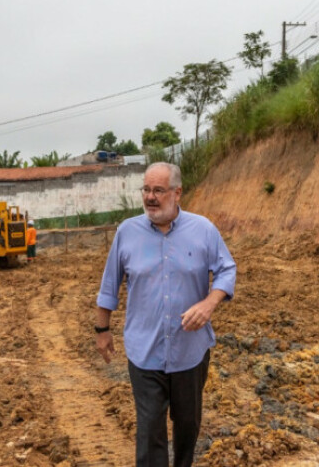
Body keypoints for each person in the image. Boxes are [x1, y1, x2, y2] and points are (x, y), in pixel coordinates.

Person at [95, 162, 236, 467]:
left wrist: (209, 303)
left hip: (190, 350)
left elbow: (227, 269)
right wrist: (101, 329)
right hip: (144, 351)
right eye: (146, 189)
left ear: (177, 193)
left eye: (158, 190)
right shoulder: (126, 232)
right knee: (150, 433)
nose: (150, 197)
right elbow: (110, 284)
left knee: (188, 426)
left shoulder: (203, 230)